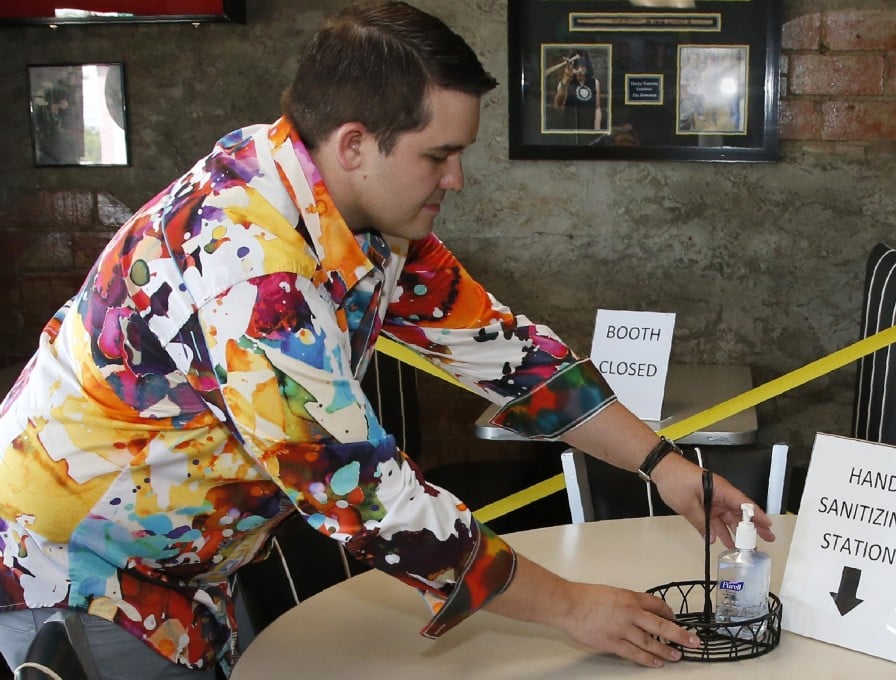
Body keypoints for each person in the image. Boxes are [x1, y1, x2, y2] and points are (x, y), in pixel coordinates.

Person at [0, 2, 773, 678]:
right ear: (354, 143)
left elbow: (510, 354)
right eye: (439, 155)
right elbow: (368, 497)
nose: (457, 179)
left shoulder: (352, 211)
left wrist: (666, 467)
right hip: (85, 581)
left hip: (186, 568)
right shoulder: (251, 272)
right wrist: (574, 608)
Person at [553, 49, 603, 130]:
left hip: (588, 127)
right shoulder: (565, 83)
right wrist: (565, 83)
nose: (579, 70)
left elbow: (597, 107)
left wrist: (597, 129)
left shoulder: (595, 83)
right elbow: (558, 106)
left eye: (582, 67)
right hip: (570, 128)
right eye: (577, 67)